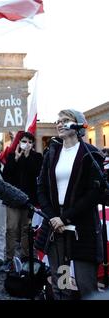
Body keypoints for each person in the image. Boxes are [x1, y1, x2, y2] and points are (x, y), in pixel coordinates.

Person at [36, 109, 104, 299]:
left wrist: (65, 217)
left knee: (86, 286)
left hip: (81, 227)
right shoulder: (52, 153)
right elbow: (41, 188)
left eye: (65, 120)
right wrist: (53, 217)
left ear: (78, 125)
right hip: (56, 228)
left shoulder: (90, 154)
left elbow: (93, 193)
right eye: (58, 120)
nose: (59, 123)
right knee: (62, 285)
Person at [2, 131, 43, 272]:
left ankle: (26, 257)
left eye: (30, 142)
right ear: (19, 142)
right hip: (13, 199)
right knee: (11, 228)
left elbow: (36, 173)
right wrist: (16, 159)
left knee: (26, 229)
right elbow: (6, 176)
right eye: (24, 141)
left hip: (28, 200)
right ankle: (9, 258)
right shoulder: (11, 156)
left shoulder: (37, 157)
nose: (27, 144)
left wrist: (26, 158)